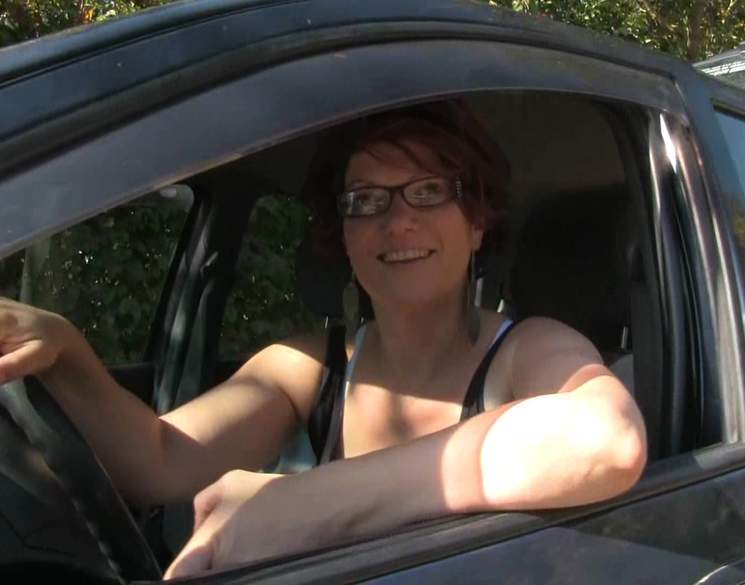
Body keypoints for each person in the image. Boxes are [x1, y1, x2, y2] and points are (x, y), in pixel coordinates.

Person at [0, 99, 646, 579]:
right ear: (344, 235)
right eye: (365, 200)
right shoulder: (310, 366)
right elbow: (159, 459)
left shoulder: (528, 349)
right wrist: (64, 349)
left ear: (477, 221)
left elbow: (606, 440)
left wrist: (298, 503)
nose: (397, 221)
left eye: (428, 191)